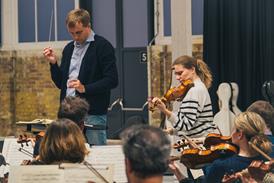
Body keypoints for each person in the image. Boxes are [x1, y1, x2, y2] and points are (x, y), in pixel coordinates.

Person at [43, 9, 118, 145]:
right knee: (67, 156)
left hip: (92, 112)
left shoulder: (102, 46)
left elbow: (112, 80)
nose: (76, 37)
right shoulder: (68, 49)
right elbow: (61, 84)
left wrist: (85, 88)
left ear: (88, 26)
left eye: (79, 32)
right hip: (67, 113)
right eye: (72, 33)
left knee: (97, 156)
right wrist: (53, 64)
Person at [173, 111, 272, 183]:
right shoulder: (266, 162)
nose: (230, 133)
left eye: (233, 129)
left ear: (240, 135)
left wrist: (178, 172)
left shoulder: (222, 165)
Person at [149, 55, 216, 138]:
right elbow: (194, 123)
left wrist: (165, 110)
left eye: (180, 73)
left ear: (192, 69)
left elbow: (185, 125)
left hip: (198, 146)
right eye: (175, 74)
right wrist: (172, 131)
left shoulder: (194, 90)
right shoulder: (198, 87)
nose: (177, 78)